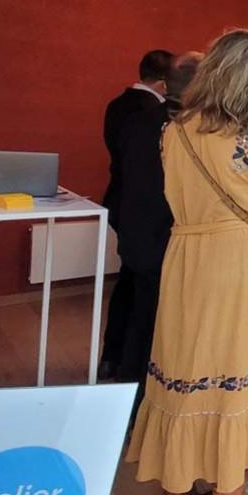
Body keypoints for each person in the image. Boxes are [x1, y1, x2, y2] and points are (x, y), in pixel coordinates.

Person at [125, 30, 248, 495]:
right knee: (236, 378)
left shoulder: (173, 132)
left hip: (186, 260)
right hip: (242, 265)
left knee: (185, 370)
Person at [111, 52, 202, 407]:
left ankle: (127, 391)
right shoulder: (187, 130)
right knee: (158, 323)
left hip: (135, 229)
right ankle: (147, 401)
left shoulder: (139, 121)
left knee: (139, 314)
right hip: (164, 237)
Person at [99, 48, 174, 380]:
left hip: (122, 203)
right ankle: (133, 370)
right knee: (144, 297)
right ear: (164, 83)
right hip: (149, 213)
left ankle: (112, 355)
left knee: (128, 283)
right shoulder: (156, 117)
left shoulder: (117, 105)